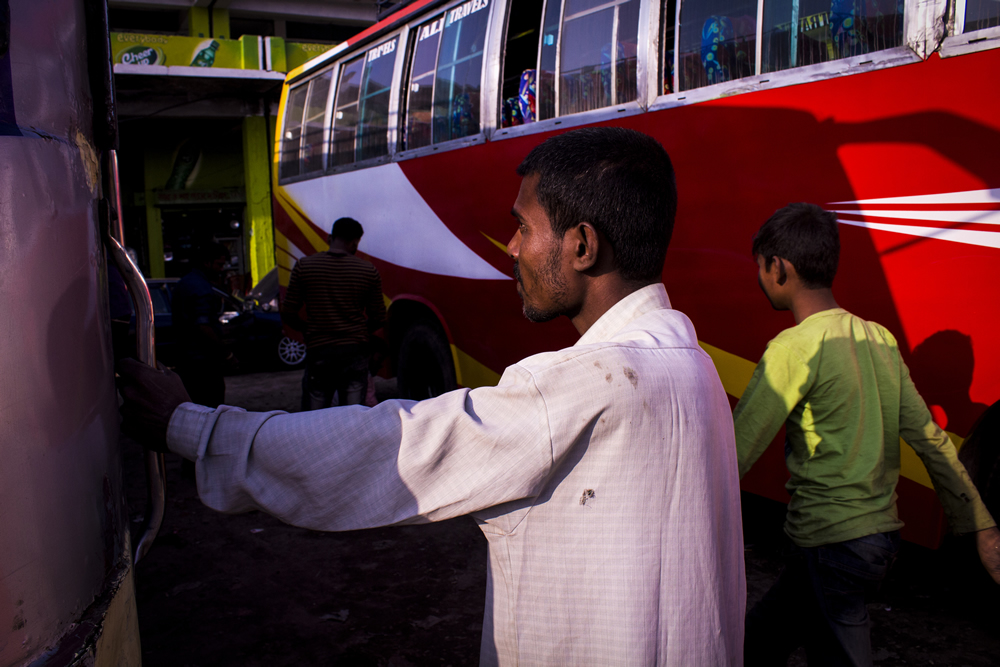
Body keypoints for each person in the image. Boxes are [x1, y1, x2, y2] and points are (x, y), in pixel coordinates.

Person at [118, 127, 746, 665]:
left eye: (522, 228)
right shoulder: (693, 368)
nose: (513, 249)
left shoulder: (579, 387)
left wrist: (190, 426)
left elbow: (386, 448)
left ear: (582, 245)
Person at [734, 203, 1000, 666]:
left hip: (831, 545)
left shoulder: (794, 347)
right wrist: (981, 523)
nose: (758, 277)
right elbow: (930, 440)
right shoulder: (878, 339)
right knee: (753, 643)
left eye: (760, 266)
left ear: (779, 268)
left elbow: (737, 449)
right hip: (871, 543)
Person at [280, 217, 386, 410]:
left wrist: (308, 329)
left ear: (330, 237)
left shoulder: (304, 267)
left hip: (319, 350)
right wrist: (359, 331)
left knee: (315, 415)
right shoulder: (368, 271)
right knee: (352, 415)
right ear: (356, 241)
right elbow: (379, 317)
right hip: (354, 352)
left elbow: (288, 312)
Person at [171, 242, 236, 408]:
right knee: (210, 404)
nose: (221, 269)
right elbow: (202, 325)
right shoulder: (201, 288)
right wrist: (225, 351)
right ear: (207, 262)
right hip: (202, 361)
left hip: (186, 358)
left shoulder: (185, 283)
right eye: (219, 264)